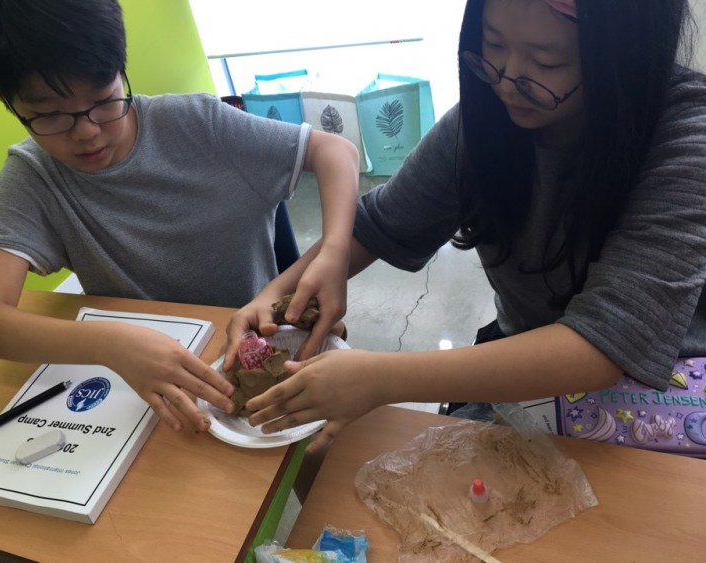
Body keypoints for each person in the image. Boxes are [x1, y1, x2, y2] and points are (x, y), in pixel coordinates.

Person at [227, 0, 706, 453]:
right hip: (522, 365)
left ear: (626, 58)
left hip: (670, 391)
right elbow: (376, 225)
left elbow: (606, 342)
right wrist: (273, 296)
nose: (507, 80)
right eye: (493, 44)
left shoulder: (686, 137)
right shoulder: (483, 123)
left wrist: (378, 378)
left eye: (547, 61)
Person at [0, 0, 359, 434]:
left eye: (104, 99)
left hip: (247, 342)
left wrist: (333, 252)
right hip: (142, 380)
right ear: (7, 100)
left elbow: (335, 151)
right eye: (51, 115)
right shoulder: (34, 176)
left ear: (120, 69)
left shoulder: (199, 124)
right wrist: (111, 344)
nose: (87, 131)